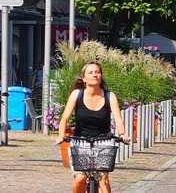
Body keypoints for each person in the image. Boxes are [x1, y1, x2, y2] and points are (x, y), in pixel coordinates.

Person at [55, 61, 130, 193]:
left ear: (101, 76)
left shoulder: (109, 96)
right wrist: (61, 135)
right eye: (90, 72)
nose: (94, 75)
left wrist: (123, 134)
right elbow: (64, 118)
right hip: (80, 141)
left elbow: (118, 118)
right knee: (80, 178)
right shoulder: (77, 94)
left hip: (104, 142)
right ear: (83, 78)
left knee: (103, 179)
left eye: (97, 72)